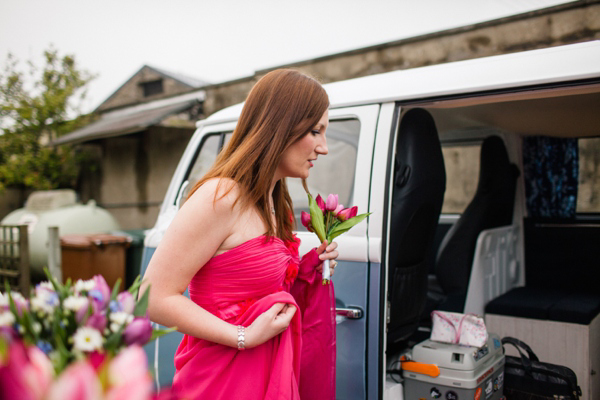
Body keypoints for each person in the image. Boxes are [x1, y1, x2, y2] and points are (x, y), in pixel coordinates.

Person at [141, 69, 339, 400]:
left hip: (267, 374)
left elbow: (256, 292)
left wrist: (307, 270)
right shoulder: (221, 196)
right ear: (281, 125)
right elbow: (153, 297)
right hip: (223, 380)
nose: (324, 148)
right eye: (315, 131)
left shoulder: (275, 203)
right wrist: (242, 336)